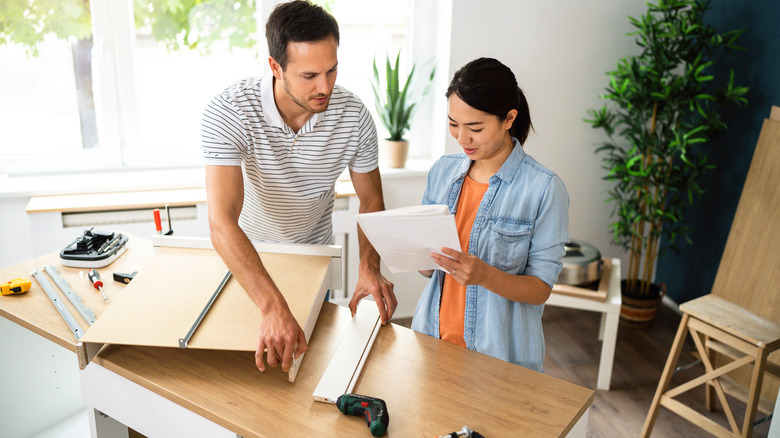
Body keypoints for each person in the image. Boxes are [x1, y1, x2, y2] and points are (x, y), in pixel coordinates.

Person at [201, 0, 396, 374]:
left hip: (314, 259)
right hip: (250, 261)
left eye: (332, 70)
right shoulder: (229, 111)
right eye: (309, 76)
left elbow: (371, 200)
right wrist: (272, 305)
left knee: (306, 373)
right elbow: (221, 222)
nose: (325, 87)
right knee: (249, 376)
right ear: (275, 67)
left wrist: (369, 267)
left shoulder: (353, 115)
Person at [411, 58, 569, 372]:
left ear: (509, 118)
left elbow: (540, 289)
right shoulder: (442, 171)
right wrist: (415, 254)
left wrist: (485, 275)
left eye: (475, 128)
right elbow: (427, 270)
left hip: (499, 357)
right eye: (453, 124)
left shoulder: (544, 188)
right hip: (431, 340)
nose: (461, 138)